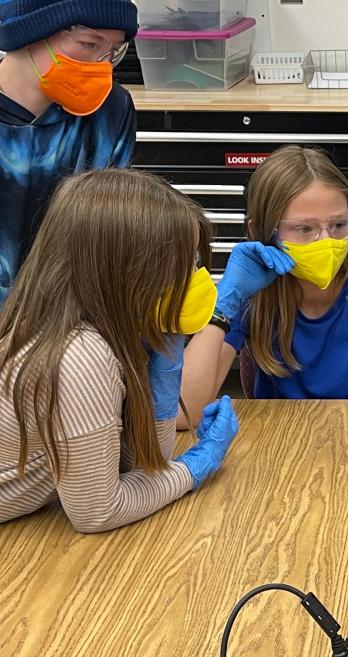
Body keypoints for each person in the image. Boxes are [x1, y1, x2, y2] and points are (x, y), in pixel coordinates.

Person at [0, 169, 239, 533]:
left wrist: (163, 375)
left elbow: (142, 467)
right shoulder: (79, 356)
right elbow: (98, 511)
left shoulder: (98, 332)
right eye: (182, 265)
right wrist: (196, 466)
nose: (196, 278)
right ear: (124, 271)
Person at [178, 145, 348, 421]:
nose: (326, 242)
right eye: (304, 229)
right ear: (260, 231)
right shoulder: (252, 293)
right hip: (276, 441)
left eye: (338, 225)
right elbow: (184, 413)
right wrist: (225, 302)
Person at [0, 0, 138, 305]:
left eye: (113, 52)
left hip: (68, 315)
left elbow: (108, 229)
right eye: (89, 44)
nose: (101, 65)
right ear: (31, 32)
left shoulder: (110, 112)